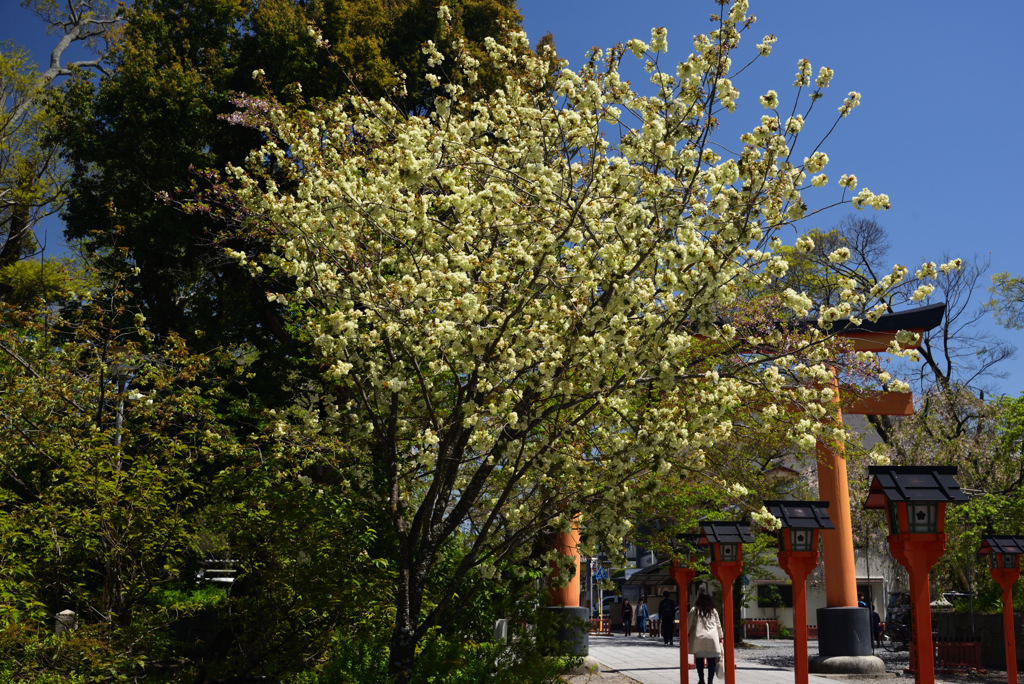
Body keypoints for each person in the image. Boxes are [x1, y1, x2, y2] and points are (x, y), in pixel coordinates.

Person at [688, 591, 724, 684]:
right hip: (712, 638)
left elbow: (688, 624)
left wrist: (685, 634)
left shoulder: (694, 610)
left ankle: (701, 680)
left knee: (699, 659)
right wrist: (721, 636)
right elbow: (718, 625)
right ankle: (710, 681)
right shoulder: (713, 610)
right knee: (711, 660)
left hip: (699, 637)